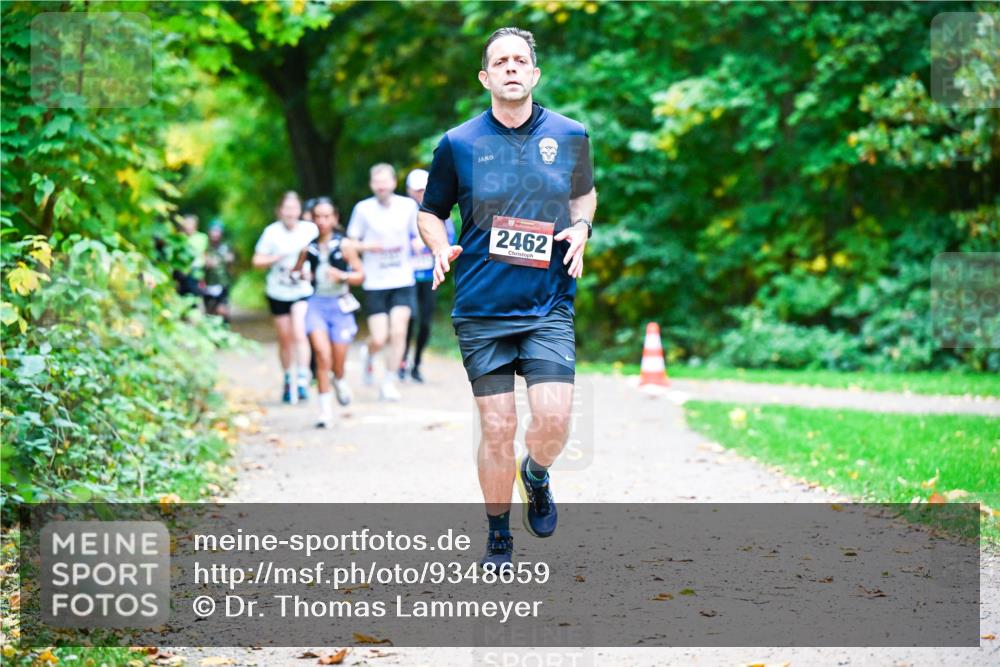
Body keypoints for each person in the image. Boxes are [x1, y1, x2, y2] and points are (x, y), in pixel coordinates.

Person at [416, 27, 597, 570]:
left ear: (535, 74)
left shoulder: (570, 135)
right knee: (496, 426)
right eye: (501, 61)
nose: (512, 68)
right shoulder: (458, 143)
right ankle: (498, 533)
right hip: (481, 307)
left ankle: (536, 474)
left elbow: (582, 192)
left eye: (521, 60)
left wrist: (582, 228)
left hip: (548, 304)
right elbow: (430, 211)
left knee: (555, 421)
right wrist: (437, 246)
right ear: (485, 76)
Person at [347, 163, 419, 402]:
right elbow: (350, 244)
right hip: (375, 281)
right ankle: (369, 352)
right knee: (380, 337)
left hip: (402, 278)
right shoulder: (363, 209)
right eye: (376, 182)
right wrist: (369, 246)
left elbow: (418, 233)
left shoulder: (408, 206)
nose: (381, 186)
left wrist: (420, 243)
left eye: (385, 181)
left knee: (399, 332)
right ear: (371, 185)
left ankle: (388, 381)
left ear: (393, 182)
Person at [291, 198, 364, 427]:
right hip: (316, 305)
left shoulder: (345, 245)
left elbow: (361, 275)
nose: (322, 221)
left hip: (340, 305)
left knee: (337, 361)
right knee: (322, 356)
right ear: (312, 219)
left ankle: (339, 378)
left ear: (335, 219)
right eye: (317, 217)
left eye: (326, 216)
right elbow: (294, 273)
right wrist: (301, 275)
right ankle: (324, 412)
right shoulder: (308, 248)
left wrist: (342, 276)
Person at [252, 191, 318, 404]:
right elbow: (257, 261)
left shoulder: (310, 230)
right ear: (279, 211)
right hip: (278, 292)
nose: (290, 212)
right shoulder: (271, 233)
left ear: (300, 210)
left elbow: (322, 255)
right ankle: (288, 378)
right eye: (286, 208)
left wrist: (313, 273)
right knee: (285, 338)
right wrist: (275, 258)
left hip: (302, 290)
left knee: (300, 331)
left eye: (294, 208)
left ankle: (302, 380)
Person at [401, 168, 455, 384]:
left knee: (424, 321)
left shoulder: (439, 209)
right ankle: (401, 360)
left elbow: (449, 236)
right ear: (408, 191)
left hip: (429, 274)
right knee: (408, 318)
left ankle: (416, 364)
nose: (420, 194)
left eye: (424, 190)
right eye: (416, 191)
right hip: (406, 276)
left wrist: (430, 243)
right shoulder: (401, 210)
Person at [202, 219, 235, 323]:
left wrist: (229, 261)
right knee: (209, 312)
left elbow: (231, 264)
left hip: (223, 283)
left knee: (222, 310)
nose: (215, 234)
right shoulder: (205, 247)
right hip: (208, 283)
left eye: (217, 231)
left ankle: (225, 330)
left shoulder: (226, 247)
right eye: (213, 231)